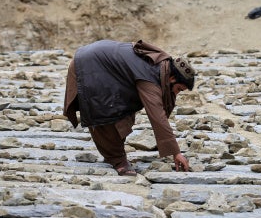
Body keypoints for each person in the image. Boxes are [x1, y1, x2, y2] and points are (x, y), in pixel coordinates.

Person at [63, 40, 194, 176]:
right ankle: (117, 160)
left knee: (125, 108)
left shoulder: (162, 65)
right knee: (105, 111)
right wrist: (176, 152)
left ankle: (113, 153)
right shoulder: (149, 77)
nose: (176, 93)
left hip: (98, 61)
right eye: (178, 89)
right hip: (90, 65)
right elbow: (157, 115)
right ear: (172, 78)